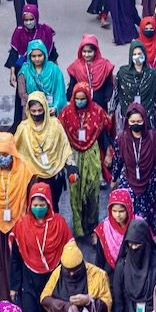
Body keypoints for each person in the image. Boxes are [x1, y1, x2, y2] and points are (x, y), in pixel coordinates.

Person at [9, 183, 74, 312]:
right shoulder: (22, 225)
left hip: (54, 280)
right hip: (30, 280)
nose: (38, 208)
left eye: (42, 204)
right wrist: (14, 286)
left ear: (49, 203)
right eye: (35, 205)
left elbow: (70, 251)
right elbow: (15, 258)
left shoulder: (59, 223)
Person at [0, 133, 35, 302]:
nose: (2, 159)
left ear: (13, 152)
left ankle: (21, 299)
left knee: (17, 264)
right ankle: (3, 303)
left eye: (5, 154)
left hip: (19, 229)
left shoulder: (26, 172)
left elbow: (33, 200)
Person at [59, 83, 114, 238]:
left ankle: (92, 226)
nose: (80, 101)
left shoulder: (97, 111)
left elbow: (105, 133)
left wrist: (108, 153)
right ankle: (78, 228)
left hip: (92, 155)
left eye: (83, 99)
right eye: (77, 98)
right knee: (75, 193)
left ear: (88, 98)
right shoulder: (66, 113)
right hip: (73, 156)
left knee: (92, 191)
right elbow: (60, 135)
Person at [111, 103, 156, 232]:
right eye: (132, 122)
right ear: (127, 121)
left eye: (139, 121)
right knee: (130, 219)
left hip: (149, 186)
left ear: (144, 120)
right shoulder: (121, 139)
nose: (135, 124)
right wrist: (114, 179)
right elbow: (118, 161)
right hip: (128, 184)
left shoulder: (154, 138)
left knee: (147, 223)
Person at [15, 91, 73, 212]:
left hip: (54, 174)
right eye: (33, 111)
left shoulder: (55, 125)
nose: (37, 114)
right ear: (28, 110)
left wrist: (72, 166)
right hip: (33, 177)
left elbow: (64, 146)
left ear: (45, 109)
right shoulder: (23, 128)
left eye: (40, 110)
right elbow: (15, 151)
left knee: (53, 206)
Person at [115, 41, 156, 144]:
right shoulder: (123, 73)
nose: (137, 57)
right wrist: (111, 110)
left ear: (144, 54)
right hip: (128, 115)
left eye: (140, 54)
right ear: (130, 56)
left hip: (148, 114)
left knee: (148, 142)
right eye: (134, 54)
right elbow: (116, 93)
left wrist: (155, 108)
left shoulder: (152, 74)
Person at [17, 42, 69, 116]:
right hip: (32, 111)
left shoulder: (54, 69)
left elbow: (59, 91)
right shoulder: (25, 70)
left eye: (40, 55)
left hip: (50, 110)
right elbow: (22, 92)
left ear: (45, 54)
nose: (37, 59)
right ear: (29, 56)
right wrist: (37, 103)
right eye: (33, 56)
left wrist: (55, 107)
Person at [66, 34, 115, 111]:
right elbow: (73, 84)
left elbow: (108, 84)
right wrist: (69, 97)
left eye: (89, 52)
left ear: (95, 51)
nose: (86, 54)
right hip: (82, 102)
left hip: (100, 102)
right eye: (84, 51)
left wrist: (108, 98)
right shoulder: (76, 66)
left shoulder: (104, 65)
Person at [93, 188, 136, 270]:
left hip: (133, 270)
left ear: (128, 209)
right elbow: (99, 259)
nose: (117, 215)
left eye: (121, 211)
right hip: (112, 271)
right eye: (114, 211)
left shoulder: (137, 226)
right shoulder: (104, 228)